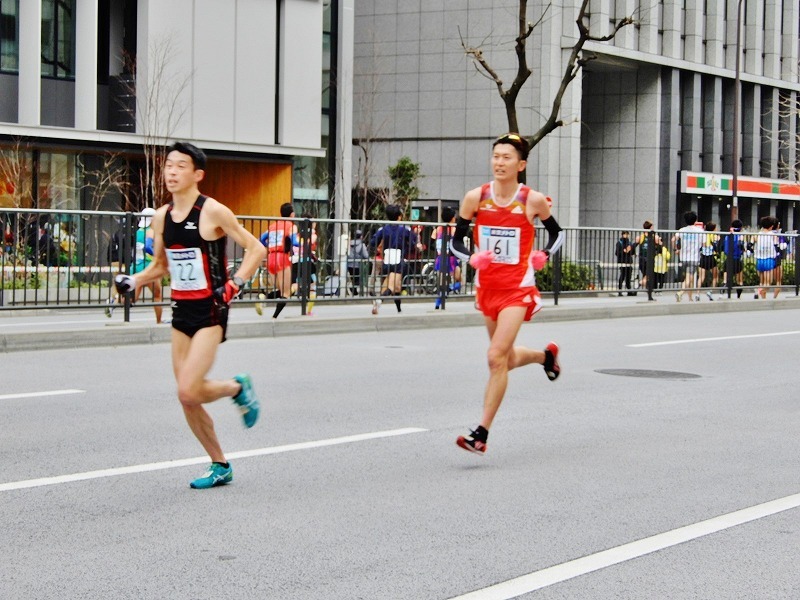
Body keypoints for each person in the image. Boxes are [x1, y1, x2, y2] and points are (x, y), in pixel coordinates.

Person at [113, 141, 265, 489]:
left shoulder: (213, 211)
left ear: (198, 174)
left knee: (187, 389)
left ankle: (236, 387)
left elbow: (256, 249)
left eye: (180, 166)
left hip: (211, 307)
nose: (171, 172)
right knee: (188, 397)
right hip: (180, 309)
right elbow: (161, 266)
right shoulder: (161, 217)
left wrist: (234, 285)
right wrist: (133, 279)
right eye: (168, 165)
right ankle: (220, 464)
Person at [449, 133, 564, 455]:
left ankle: (481, 434)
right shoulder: (475, 198)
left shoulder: (532, 200)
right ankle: (546, 356)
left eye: (507, 157)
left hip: (518, 290)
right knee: (507, 358)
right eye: (496, 156)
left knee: (494, 357)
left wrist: (544, 255)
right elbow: (455, 242)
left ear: (521, 164)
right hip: (488, 289)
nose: (500, 162)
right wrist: (471, 257)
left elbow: (557, 233)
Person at [369, 204, 422, 314]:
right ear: (399, 216)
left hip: (387, 259)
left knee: (396, 286)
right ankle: (378, 302)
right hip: (398, 259)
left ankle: (398, 309)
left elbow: (373, 242)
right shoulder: (404, 229)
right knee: (392, 287)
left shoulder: (384, 229)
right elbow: (413, 241)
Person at [256, 202, 297, 318]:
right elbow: (294, 242)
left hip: (271, 257)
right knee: (286, 292)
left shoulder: (273, 226)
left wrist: (269, 244)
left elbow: (261, 240)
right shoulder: (290, 226)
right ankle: (274, 316)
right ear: (292, 214)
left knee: (280, 290)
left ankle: (263, 298)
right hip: (282, 258)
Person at [125, 207, 165, 323]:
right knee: (157, 295)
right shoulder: (150, 230)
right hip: (148, 266)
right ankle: (159, 321)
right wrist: (157, 255)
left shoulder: (139, 231)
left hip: (137, 265)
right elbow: (148, 247)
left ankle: (115, 301)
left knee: (133, 298)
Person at [432, 206, 463, 309]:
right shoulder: (454, 229)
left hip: (440, 258)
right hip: (451, 258)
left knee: (442, 282)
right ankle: (447, 290)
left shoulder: (437, 229)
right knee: (460, 281)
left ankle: (438, 302)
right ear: (452, 218)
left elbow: (432, 243)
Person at [105, 218, 136, 318]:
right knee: (127, 282)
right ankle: (118, 301)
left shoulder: (115, 234)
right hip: (123, 261)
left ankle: (113, 299)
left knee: (116, 282)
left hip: (113, 261)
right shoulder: (129, 235)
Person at [672, 211, 704, 302]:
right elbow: (704, 244)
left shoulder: (682, 230)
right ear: (695, 220)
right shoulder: (700, 231)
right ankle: (680, 293)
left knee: (689, 277)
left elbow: (673, 239)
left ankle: (690, 298)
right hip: (693, 257)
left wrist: (676, 249)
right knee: (689, 278)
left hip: (683, 257)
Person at [753, 215, 777, 299]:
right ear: (771, 226)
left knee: (762, 281)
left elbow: (753, 242)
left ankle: (763, 298)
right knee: (768, 281)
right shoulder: (772, 234)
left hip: (759, 259)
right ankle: (759, 290)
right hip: (769, 259)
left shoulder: (758, 234)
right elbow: (777, 245)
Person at [722, 219, 746, 299]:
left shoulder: (727, 235)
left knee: (725, 279)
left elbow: (724, 248)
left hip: (728, 259)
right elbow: (742, 247)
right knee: (739, 280)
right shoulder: (740, 236)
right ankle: (738, 296)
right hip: (737, 259)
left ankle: (722, 294)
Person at [698, 221, 720, 301]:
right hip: (711, 257)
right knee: (715, 276)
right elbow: (716, 247)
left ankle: (697, 294)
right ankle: (710, 291)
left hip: (703, 257)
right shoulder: (714, 236)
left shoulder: (703, 235)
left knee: (701, 277)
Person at [347, 229, 370, 296]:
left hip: (349, 264)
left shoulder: (349, 243)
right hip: (357, 264)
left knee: (353, 278)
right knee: (358, 279)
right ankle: (353, 289)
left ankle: (354, 291)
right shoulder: (362, 245)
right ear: (361, 236)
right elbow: (366, 255)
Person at [634, 220, 654, 289]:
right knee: (648, 274)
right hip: (646, 258)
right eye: (652, 226)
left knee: (646, 274)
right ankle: (640, 283)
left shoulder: (641, 236)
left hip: (642, 258)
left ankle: (647, 289)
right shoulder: (651, 236)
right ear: (650, 227)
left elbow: (634, 245)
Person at [615, 230, 634, 296]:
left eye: (627, 234)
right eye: (625, 234)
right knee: (622, 275)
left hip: (629, 262)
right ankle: (620, 290)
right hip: (622, 262)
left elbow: (633, 252)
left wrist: (630, 250)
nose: (626, 236)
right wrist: (624, 251)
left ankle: (629, 290)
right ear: (622, 235)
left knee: (629, 276)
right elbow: (617, 253)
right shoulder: (619, 243)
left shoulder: (630, 243)